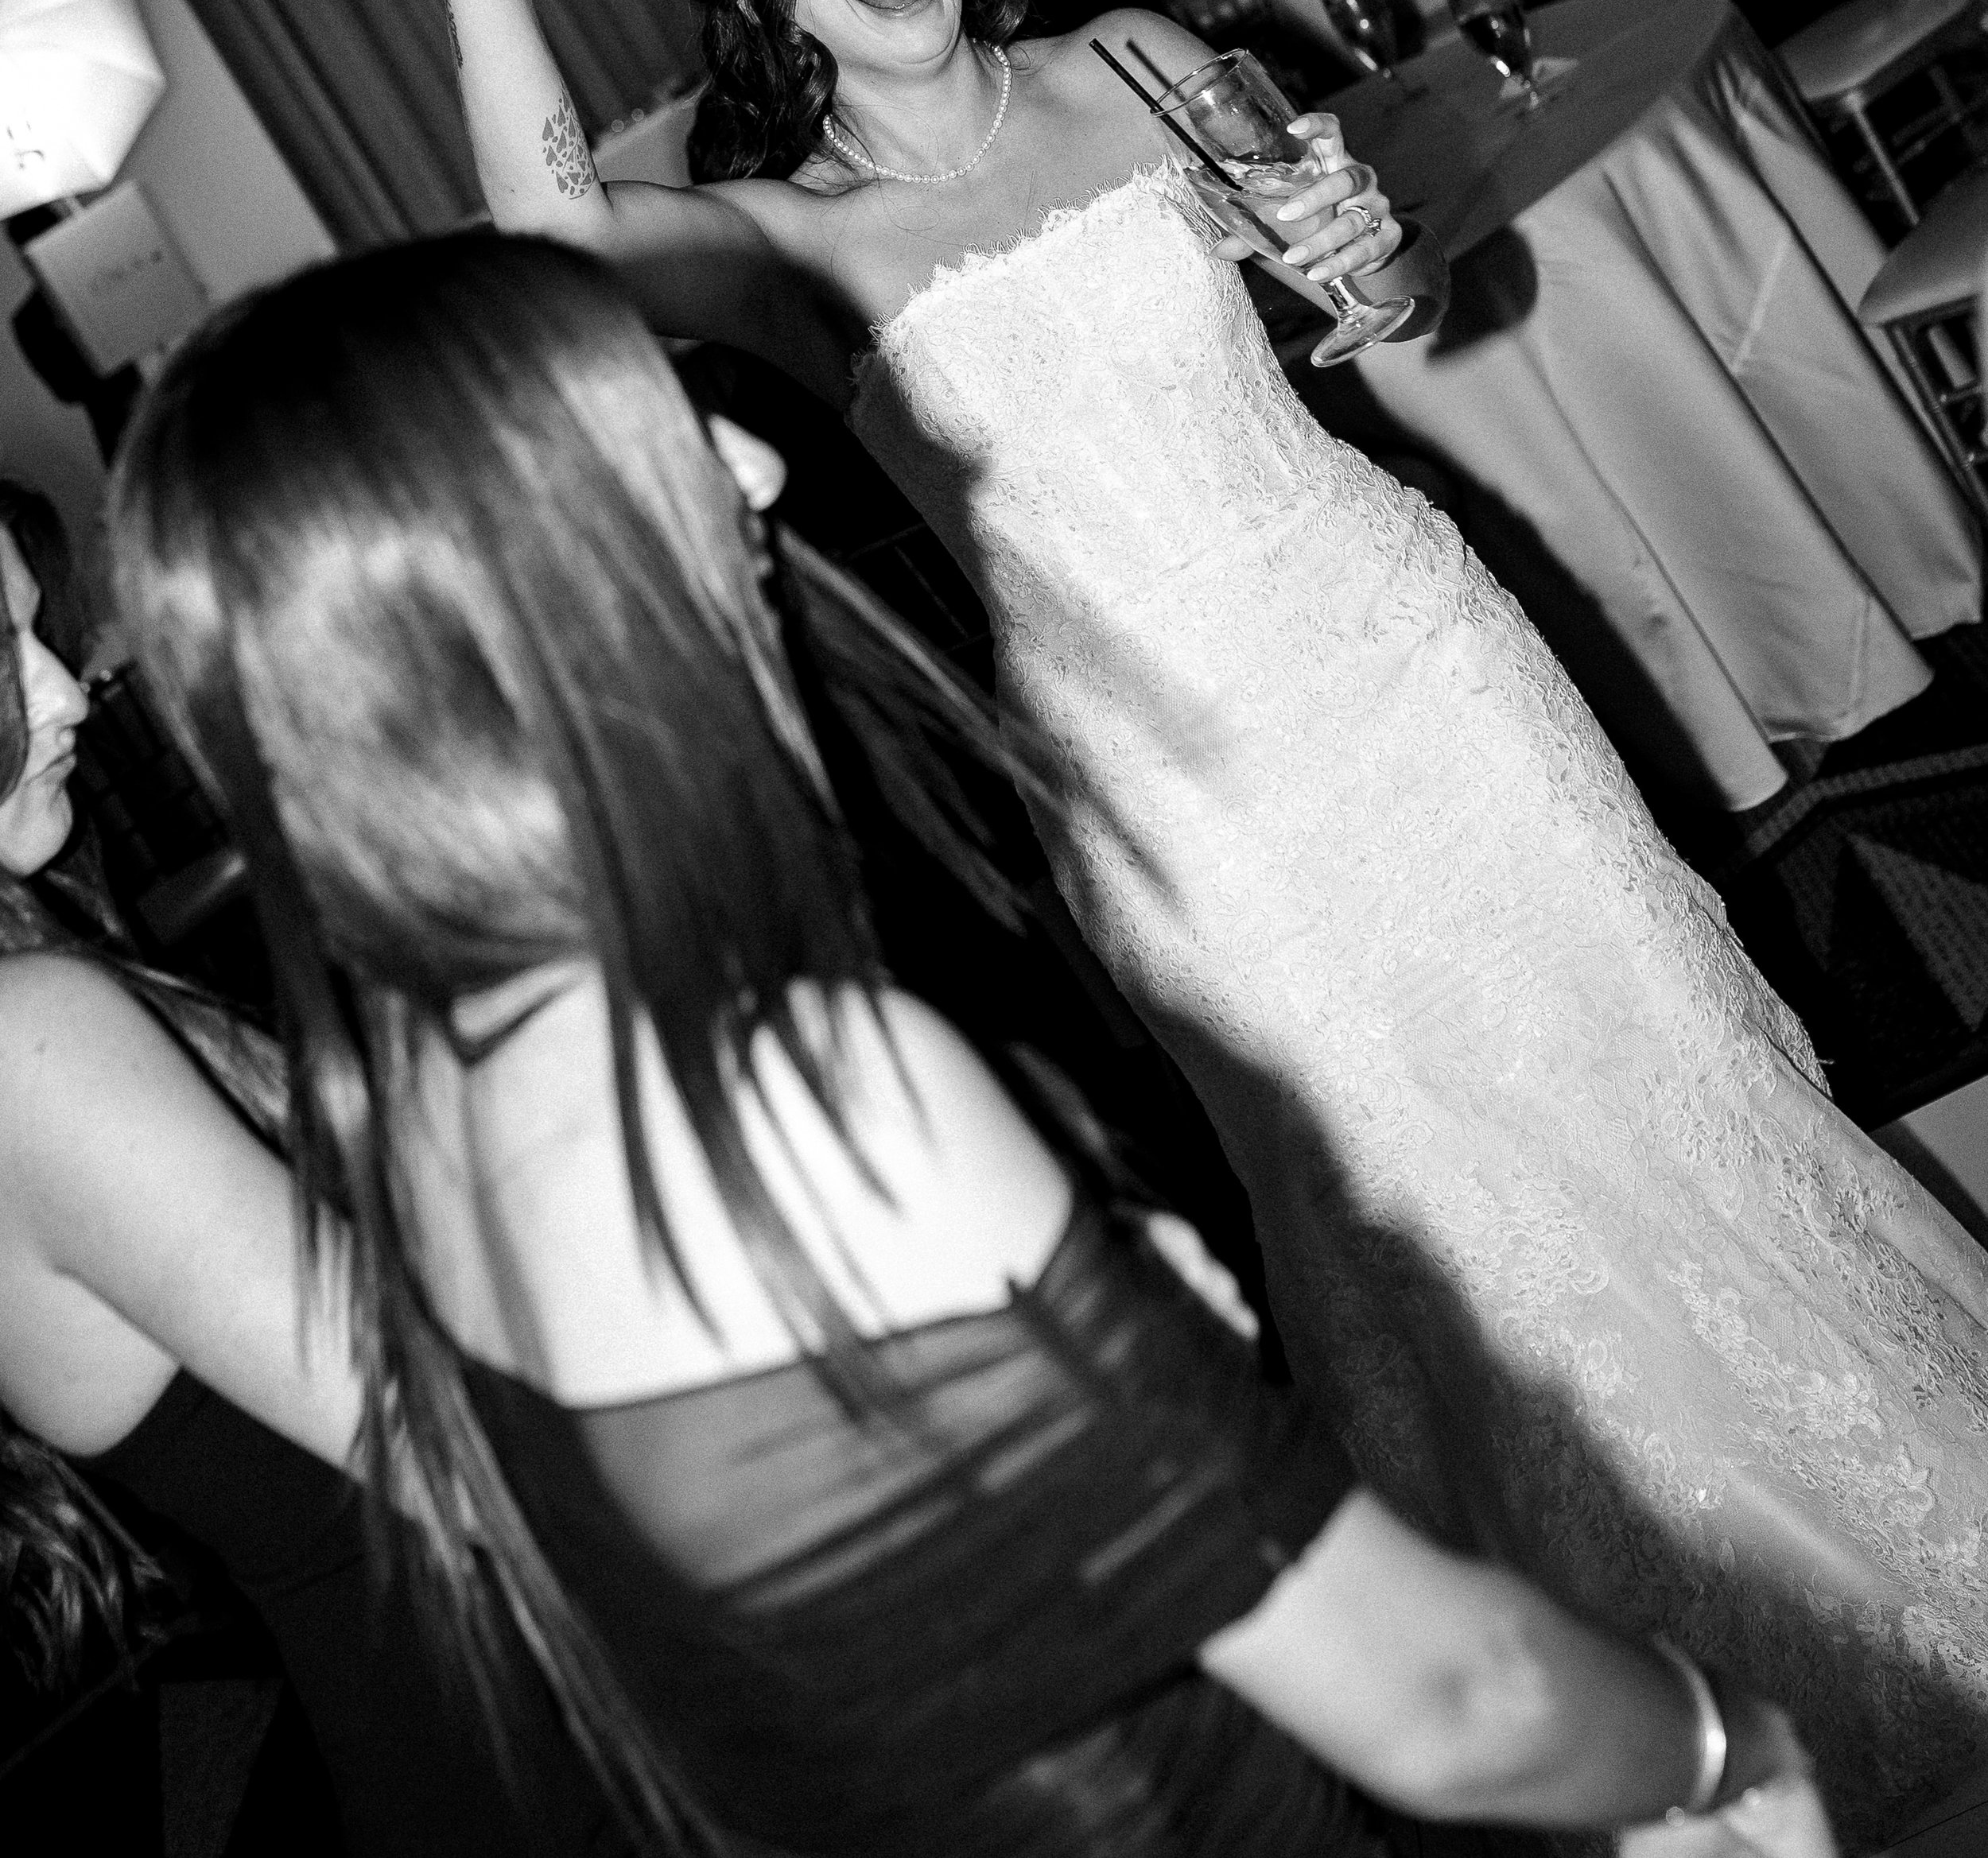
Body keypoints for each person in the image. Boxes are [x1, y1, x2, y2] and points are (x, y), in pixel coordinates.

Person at [262, 0, 1988, 1834]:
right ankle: (1613, 1657)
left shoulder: (1128, 64)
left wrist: (1370, 270)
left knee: (1657, 1063)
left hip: (1410, 663)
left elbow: (1380, 287)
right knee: (1445, 1202)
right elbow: (541, 228)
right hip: (1178, 801)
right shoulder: (775, 234)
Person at [105, 228, 1831, 1858]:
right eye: (660, 435)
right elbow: (1454, 1702)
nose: (756, 470)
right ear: (523, 585)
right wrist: (1716, 1747)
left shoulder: (420, 1085)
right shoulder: (795, 1096)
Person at [0, 479, 621, 1855]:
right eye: (0, 648)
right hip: (536, 1708)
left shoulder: (29, 997)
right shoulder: (24, 1046)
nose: (63, 688)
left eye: (41, 630)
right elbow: (459, 1439)